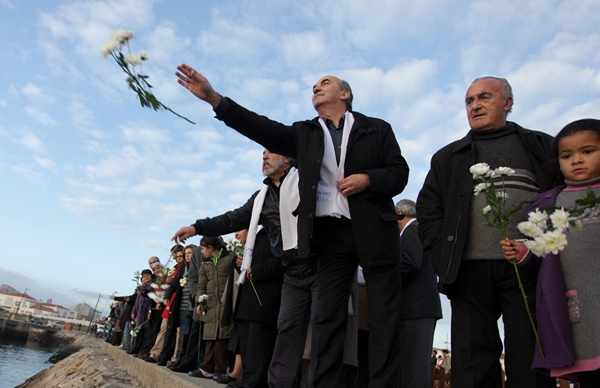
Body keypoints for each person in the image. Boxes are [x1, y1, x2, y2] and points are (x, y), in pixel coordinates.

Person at [175, 64, 409, 388]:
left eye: (324, 82)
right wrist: (216, 100)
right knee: (327, 323)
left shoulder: (377, 129)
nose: (316, 87)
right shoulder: (305, 134)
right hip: (330, 239)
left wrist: (370, 179)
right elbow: (261, 128)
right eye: (312, 85)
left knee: (384, 319)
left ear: (345, 93)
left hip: (374, 231)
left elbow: (400, 172)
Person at [416, 76, 556, 388]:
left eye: (485, 97)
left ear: (508, 102)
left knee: (530, 358)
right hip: (467, 272)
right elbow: (428, 208)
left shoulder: (542, 146)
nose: (475, 105)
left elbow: (561, 197)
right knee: (471, 364)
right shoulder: (448, 157)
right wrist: (442, 255)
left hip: (528, 270)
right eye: (469, 100)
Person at [172, 150, 303, 388]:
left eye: (270, 150)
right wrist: (196, 227)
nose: (264, 154)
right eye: (262, 151)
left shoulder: (304, 184)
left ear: (287, 159)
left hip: (305, 270)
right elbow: (232, 218)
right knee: (257, 336)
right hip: (288, 275)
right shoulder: (262, 196)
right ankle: (253, 380)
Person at [500, 119, 600, 387]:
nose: (576, 160)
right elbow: (542, 254)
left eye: (587, 151)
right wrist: (524, 251)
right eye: (567, 155)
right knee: (590, 372)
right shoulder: (548, 204)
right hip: (577, 306)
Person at [395, 199, 442, 388]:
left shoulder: (413, 229)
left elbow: (411, 263)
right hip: (418, 308)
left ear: (399, 213)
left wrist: (385, 276)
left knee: (414, 369)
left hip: (416, 308)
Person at [190, 236, 234, 380]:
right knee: (210, 337)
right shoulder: (205, 264)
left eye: (202, 249)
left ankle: (220, 369)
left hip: (225, 305)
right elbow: (201, 285)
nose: (201, 252)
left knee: (222, 337)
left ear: (210, 248)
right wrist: (200, 302)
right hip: (211, 306)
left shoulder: (230, 259)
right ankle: (206, 368)